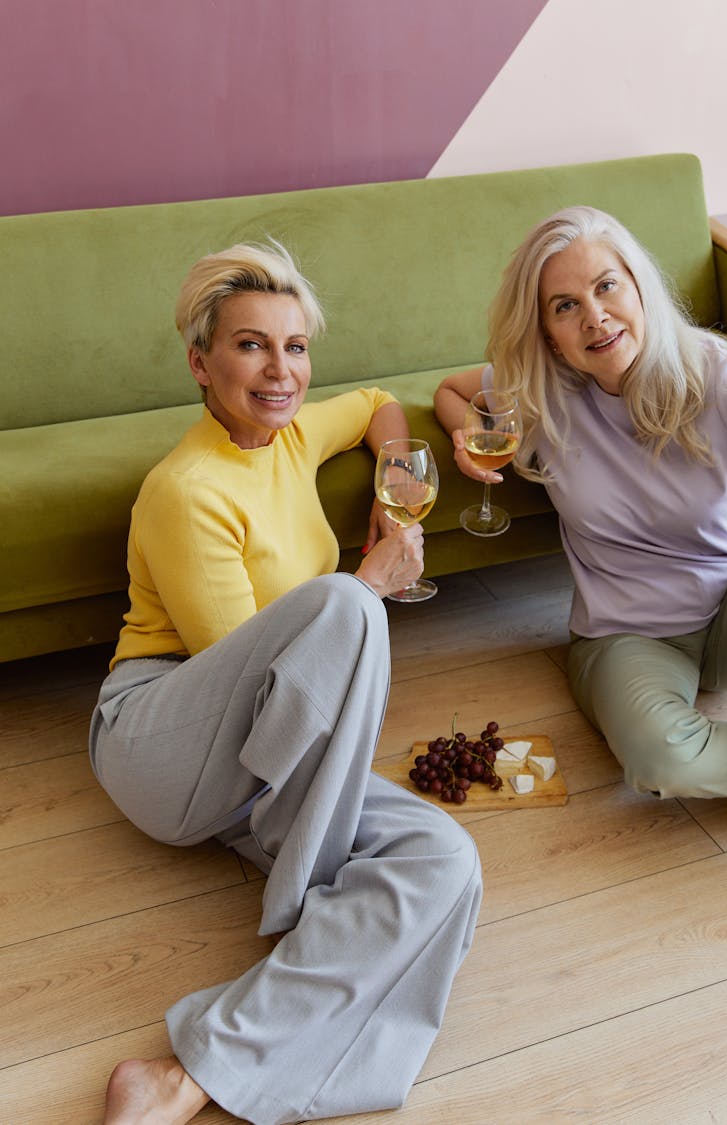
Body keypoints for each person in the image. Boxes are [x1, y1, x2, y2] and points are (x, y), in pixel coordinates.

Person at [90, 240, 482, 1125]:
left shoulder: (292, 433)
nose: (281, 370)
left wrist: (391, 479)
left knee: (446, 859)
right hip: (165, 739)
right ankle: (311, 891)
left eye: (296, 346)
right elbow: (253, 674)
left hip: (269, 762)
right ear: (201, 361)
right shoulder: (186, 489)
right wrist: (371, 587)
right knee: (343, 603)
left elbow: (382, 405)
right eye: (250, 345)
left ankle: (183, 1079)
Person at [434, 205, 727, 803]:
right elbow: (450, 390)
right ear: (547, 332)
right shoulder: (541, 392)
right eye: (565, 305)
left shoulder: (721, 375)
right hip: (627, 636)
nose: (595, 316)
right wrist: (464, 437)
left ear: (638, 284)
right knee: (662, 759)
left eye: (606, 285)